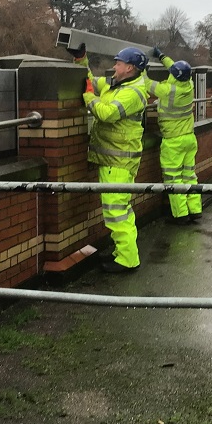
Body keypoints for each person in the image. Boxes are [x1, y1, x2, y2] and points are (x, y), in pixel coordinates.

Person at [71, 43, 150, 273]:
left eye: (118, 63)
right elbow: (92, 81)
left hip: (119, 162)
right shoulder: (118, 83)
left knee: (117, 212)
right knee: (121, 211)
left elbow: (108, 114)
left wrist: (88, 98)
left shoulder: (132, 93)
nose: (114, 66)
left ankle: (127, 261)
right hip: (113, 160)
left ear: (130, 68)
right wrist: (81, 60)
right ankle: (123, 253)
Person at [147, 47, 202, 224]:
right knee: (190, 176)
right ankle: (195, 210)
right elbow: (174, 68)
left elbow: (145, 83)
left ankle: (181, 215)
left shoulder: (168, 90)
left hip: (173, 141)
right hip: (189, 138)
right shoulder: (189, 83)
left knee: (173, 178)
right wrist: (162, 56)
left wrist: (139, 67)